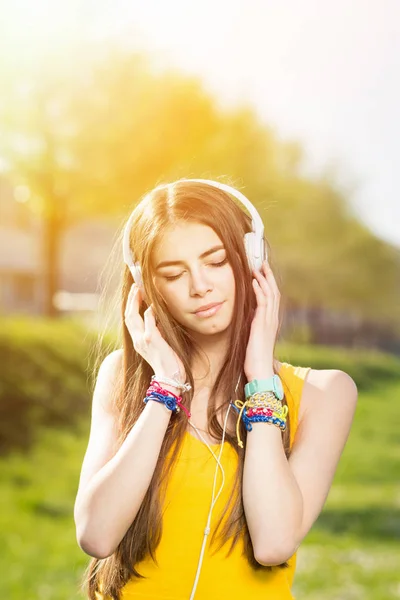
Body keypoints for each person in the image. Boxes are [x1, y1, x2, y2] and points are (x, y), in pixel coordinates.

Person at [74, 179, 358, 600]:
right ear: (146, 287)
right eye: (173, 274)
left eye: (216, 261)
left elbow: (274, 542)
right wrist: (164, 388)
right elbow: (96, 535)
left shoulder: (325, 393)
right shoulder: (124, 376)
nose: (199, 286)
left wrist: (261, 380)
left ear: (251, 259)